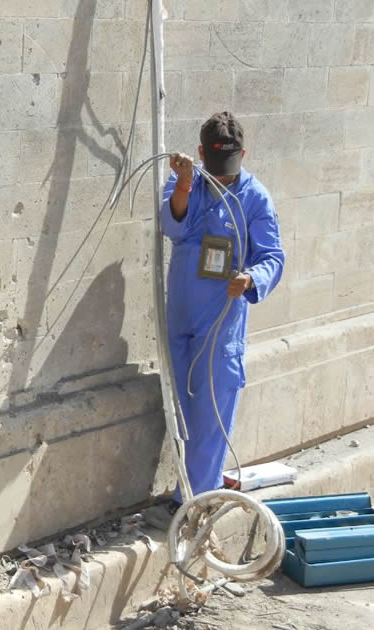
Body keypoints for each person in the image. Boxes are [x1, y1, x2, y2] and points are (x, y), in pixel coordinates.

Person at [150, 112, 286, 524]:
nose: (223, 178)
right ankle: (187, 490)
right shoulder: (187, 181)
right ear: (200, 155)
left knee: (211, 407)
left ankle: (192, 502)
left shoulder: (254, 197)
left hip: (221, 317)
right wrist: (188, 183)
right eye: (215, 168)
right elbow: (172, 226)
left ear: (242, 155)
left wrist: (250, 278)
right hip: (181, 314)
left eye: (229, 168)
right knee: (181, 406)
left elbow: (272, 256)